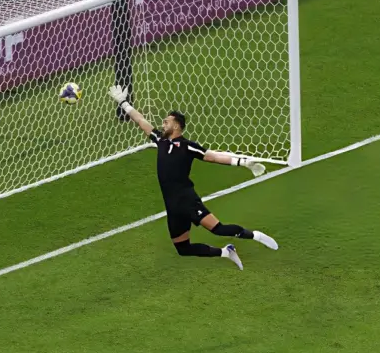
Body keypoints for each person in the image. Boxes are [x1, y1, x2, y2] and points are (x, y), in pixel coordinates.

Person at [107, 85, 278, 269]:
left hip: (187, 201)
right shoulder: (161, 141)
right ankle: (226, 252)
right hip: (172, 206)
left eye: (166, 122)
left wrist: (242, 162)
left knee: (218, 229)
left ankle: (256, 235)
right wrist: (123, 102)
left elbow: (213, 157)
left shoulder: (187, 146)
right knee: (183, 248)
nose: (163, 124)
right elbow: (141, 121)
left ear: (176, 126)